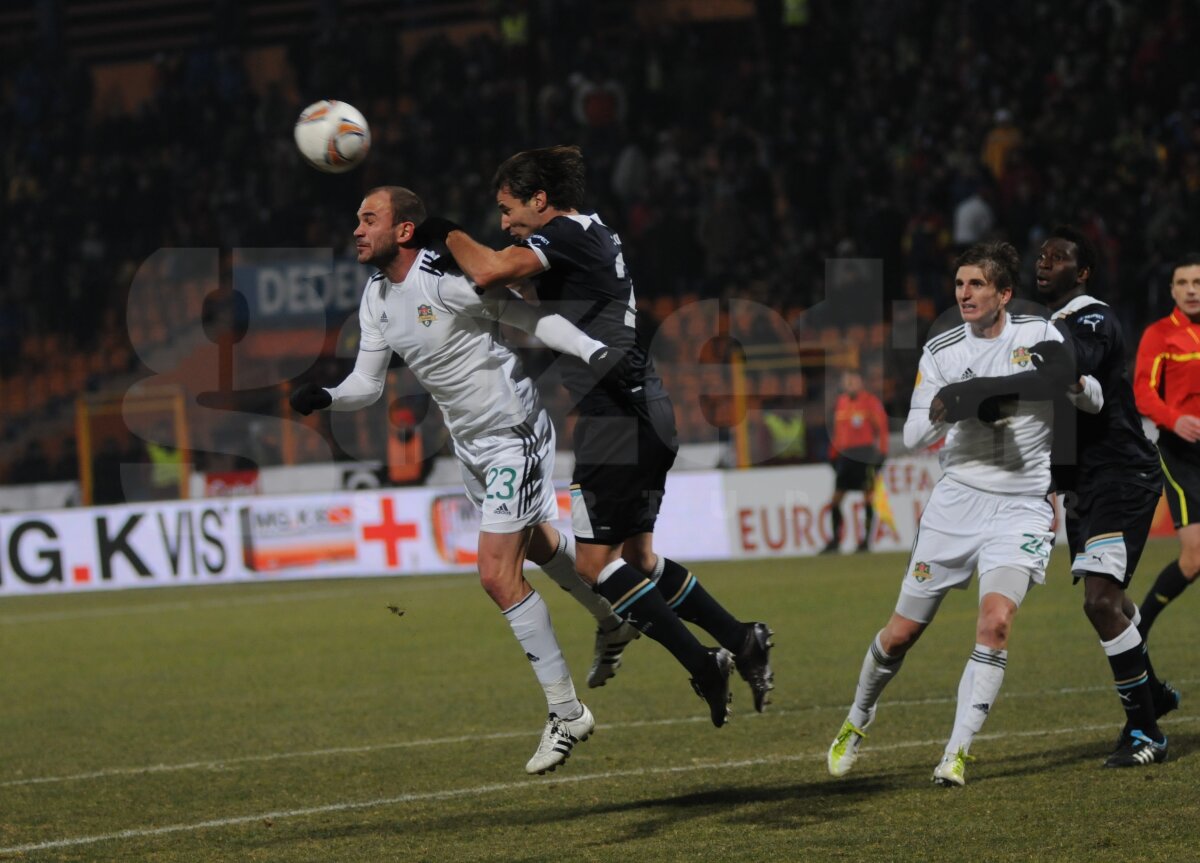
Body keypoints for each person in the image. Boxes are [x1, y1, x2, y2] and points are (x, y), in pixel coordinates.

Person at [415, 144, 773, 726]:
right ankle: (741, 636)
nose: (504, 224)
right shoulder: (592, 232)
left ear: (540, 200)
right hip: (645, 405)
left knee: (593, 567)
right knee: (639, 559)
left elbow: (489, 269)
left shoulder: (565, 235)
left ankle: (704, 663)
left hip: (616, 416)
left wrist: (438, 229)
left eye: (509, 210)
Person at [289, 185, 639, 775]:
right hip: (472, 446)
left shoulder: (447, 280)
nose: (356, 229)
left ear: (404, 230)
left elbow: (534, 320)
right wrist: (325, 395)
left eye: (368, 218)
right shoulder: (376, 297)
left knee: (496, 576)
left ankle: (566, 712)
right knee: (541, 546)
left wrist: (597, 351)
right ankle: (613, 620)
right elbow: (367, 385)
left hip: (514, 432)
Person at [826, 241, 1102, 786]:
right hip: (956, 505)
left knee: (995, 624)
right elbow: (911, 436)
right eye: (959, 285)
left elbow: (1091, 400)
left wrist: (1072, 382)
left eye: (976, 285)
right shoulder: (943, 351)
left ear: (1004, 293)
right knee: (900, 634)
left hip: (1023, 505)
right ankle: (857, 719)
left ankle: (955, 752)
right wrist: (956, 403)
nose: (964, 294)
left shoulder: (1040, 336)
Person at [1030, 226, 1175, 767]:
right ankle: (1153, 694)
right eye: (1041, 256)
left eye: (1059, 257)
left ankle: (1148, 734)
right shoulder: (1050, 327)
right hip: (1086, 486)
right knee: (1111, 600)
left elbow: (1083, 381)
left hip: (1121, 476)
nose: (1044, 263)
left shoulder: (1090, 317)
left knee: (1100, 602)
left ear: (1082, 271)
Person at [1133, 254, 1200, 639]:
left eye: (1197, 282)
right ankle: (1139, 630)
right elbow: (1143, 392)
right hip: (1181, 455)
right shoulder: (1160, 335)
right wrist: (1175, 419)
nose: (1191, 290)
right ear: (1172, 290)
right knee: (1192, 560)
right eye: (1183, 283)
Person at [821, 368, 888, 553]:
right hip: (845, 456)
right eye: (847, 382)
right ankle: (835, 541)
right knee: (836, 500)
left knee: (867, 497)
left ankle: (865, 542)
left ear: (860, 383)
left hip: (865, 455)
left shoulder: (870, 402)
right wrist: (832, 455)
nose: (850, 385)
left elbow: (881, 430)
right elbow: (837, 433)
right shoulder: (841, 403)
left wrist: (881, 455)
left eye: (853, 381)